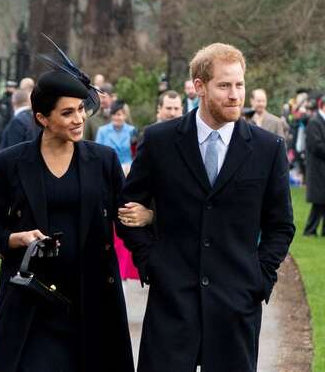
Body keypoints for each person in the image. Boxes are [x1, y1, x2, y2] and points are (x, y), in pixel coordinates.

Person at [118, 43, 295, 372]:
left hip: (236, 303)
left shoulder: (267, 148)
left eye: (239, 84)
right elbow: (129, 210)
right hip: (171, 302)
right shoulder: (159, 140)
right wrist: (152, 263)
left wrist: (259, 278)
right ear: (199, 86)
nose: (235, 95)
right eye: (224, 85)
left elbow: (281, 225)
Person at [0, 65, 151, 372]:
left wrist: (149, 219)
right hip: (32, 298)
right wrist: (18, 239)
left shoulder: (103, 161)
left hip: (94, 298)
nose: (79, 119)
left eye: (82, 109)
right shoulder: (11, 162)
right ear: (42, 119)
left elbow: (125, 220)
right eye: (67, 113)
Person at [303, 95, 325, 235]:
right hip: (318, 168)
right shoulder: (314, 122)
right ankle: (310, 230)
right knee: (318, 202)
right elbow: (316, 146)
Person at [95, 100, 137, 170]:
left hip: (128, 170)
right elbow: (97, 153)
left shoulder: (132, 131)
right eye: (113, 114)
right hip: (108, 169)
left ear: (125, 115)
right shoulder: (102, 131)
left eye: (118, 114)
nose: (115, 117)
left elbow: (136, 154)